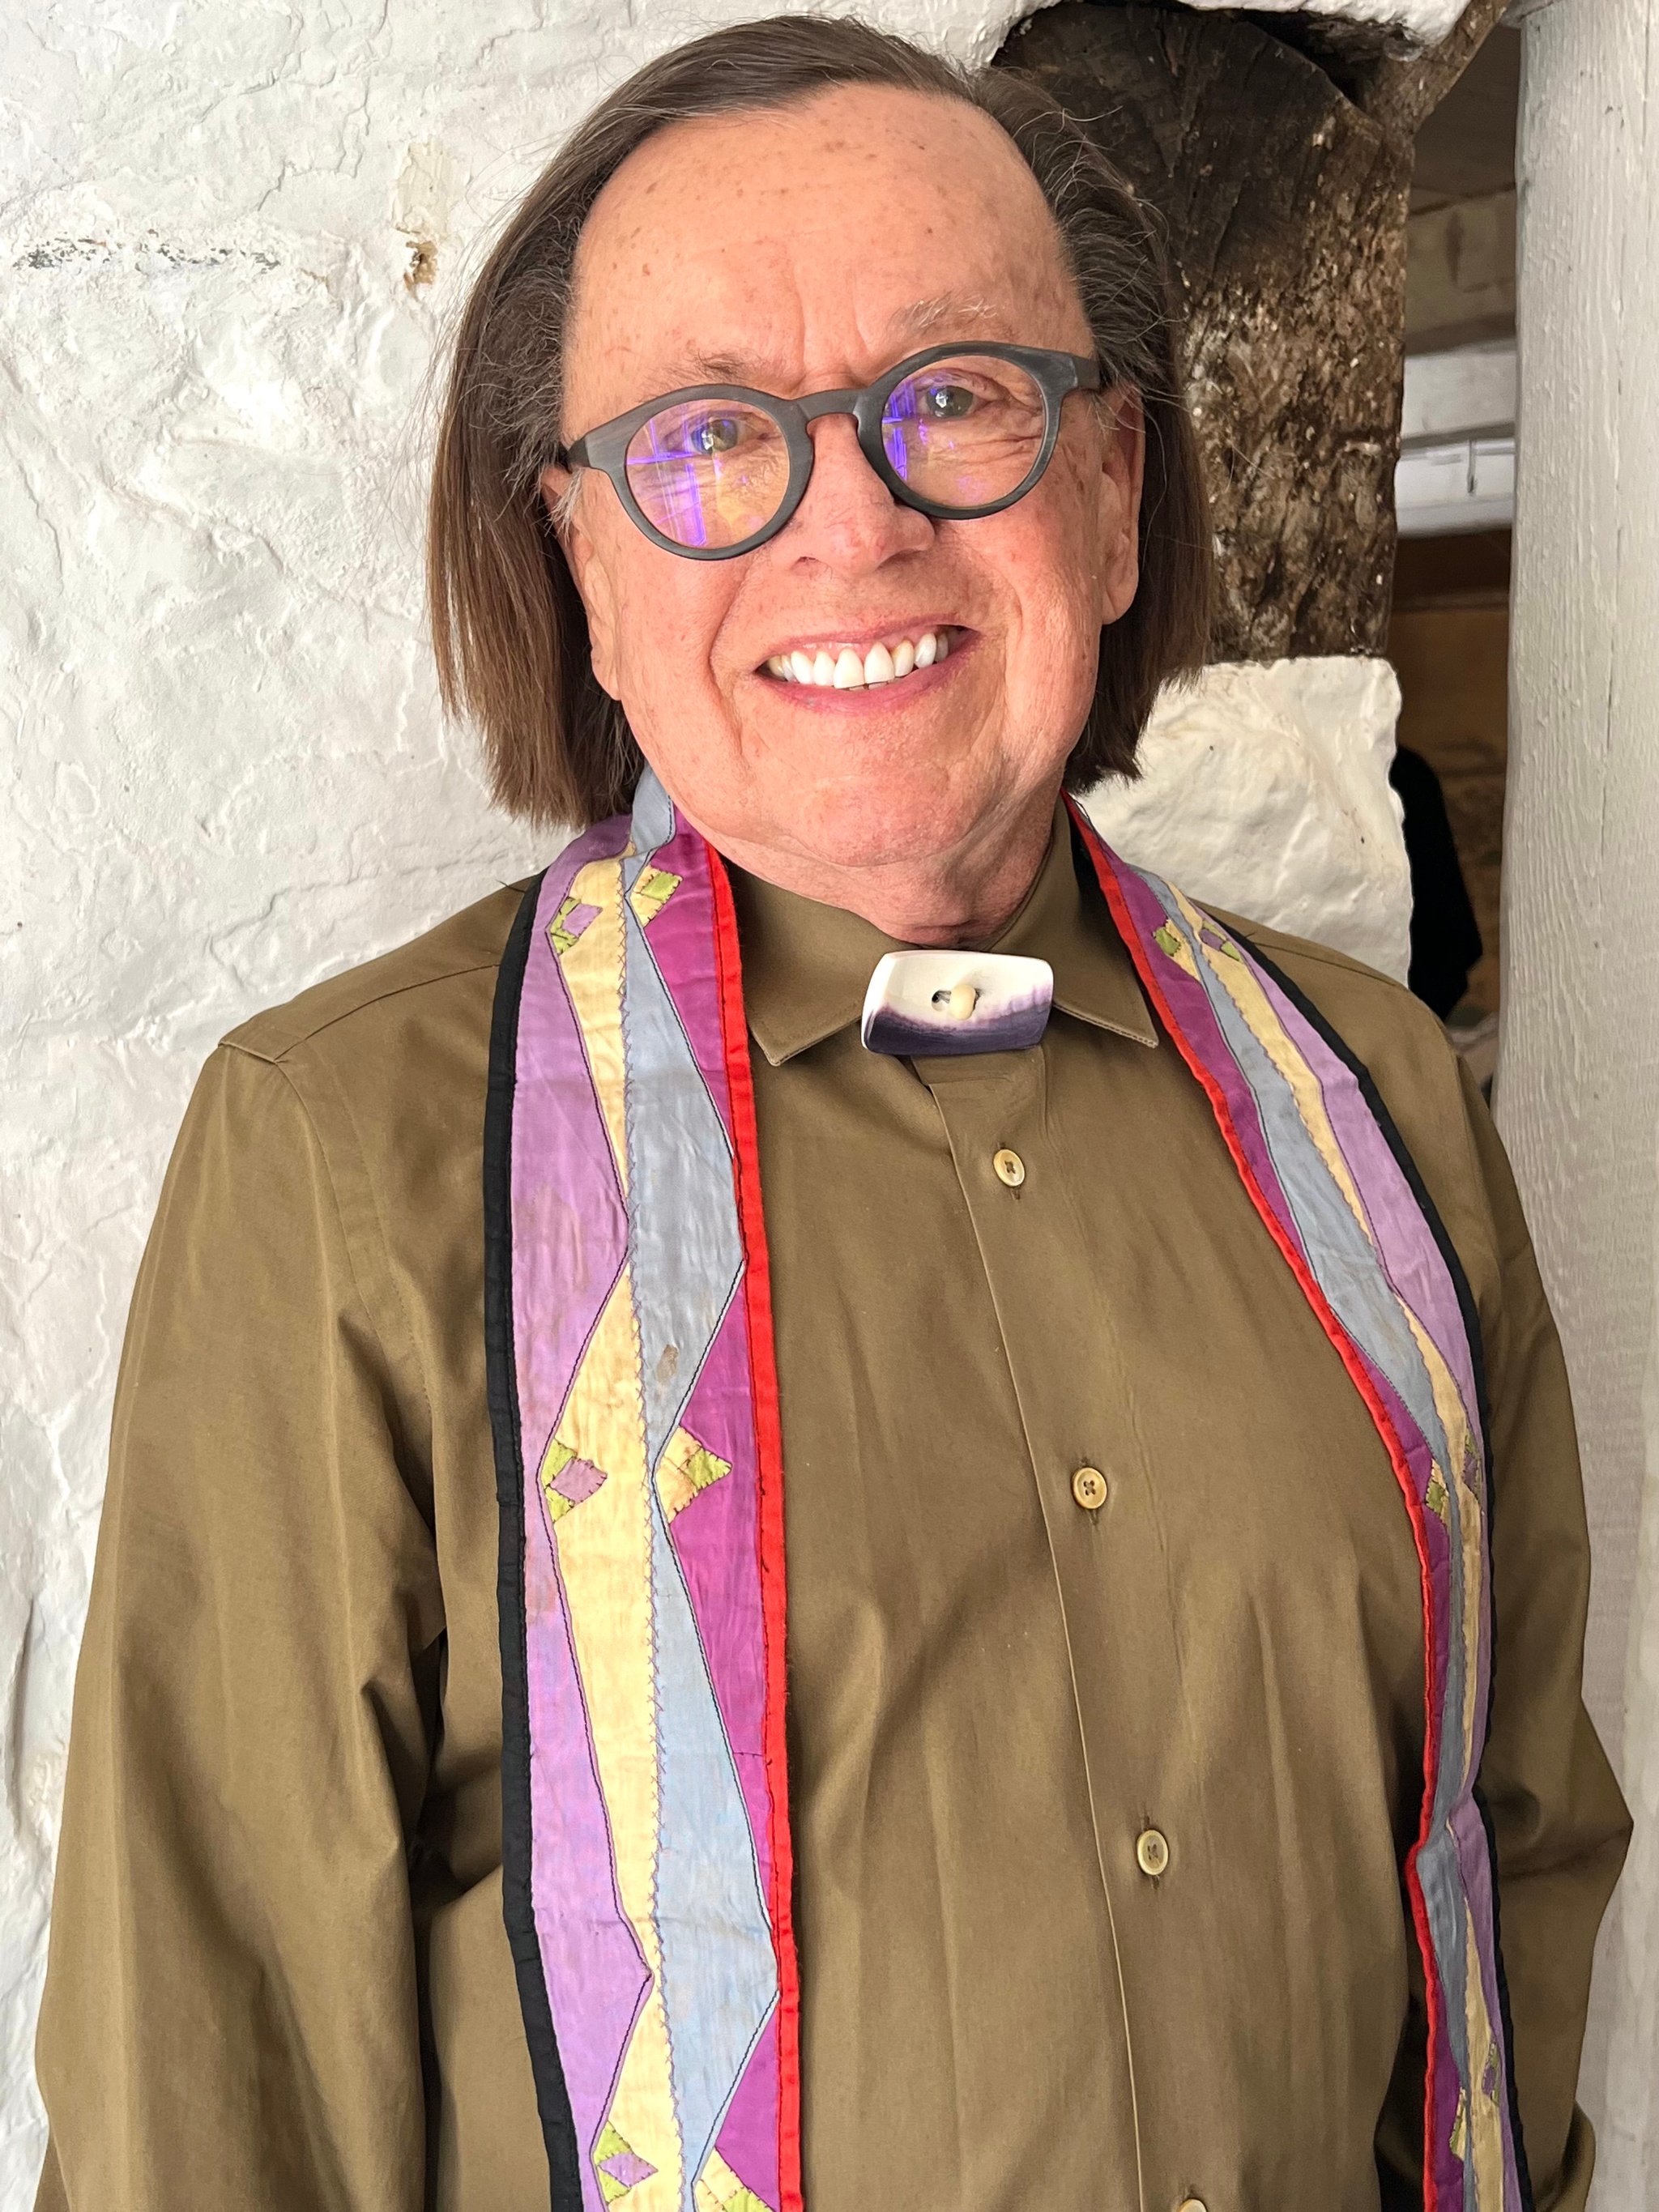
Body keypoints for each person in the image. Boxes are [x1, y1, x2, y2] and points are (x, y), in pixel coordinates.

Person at [35, 19, 1627, 2212]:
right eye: (710, 441)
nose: (852, 524)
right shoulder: (348, 1166)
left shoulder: (1381, 1111)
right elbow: (215, 2090)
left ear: (1105, 486)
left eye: (954, 397)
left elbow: (1515, 1861)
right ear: (582, 562)